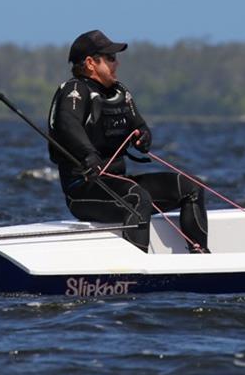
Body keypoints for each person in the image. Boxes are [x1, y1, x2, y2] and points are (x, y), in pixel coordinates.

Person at [47, 29, 209, 254]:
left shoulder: (119, 92)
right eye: (110, 58)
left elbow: (140, 126)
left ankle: (200, 256)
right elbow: (67, 124)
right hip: (84, 190)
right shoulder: (74, 90)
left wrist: (144, 137)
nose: (117, 64)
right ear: (90, 63)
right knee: (136, 198)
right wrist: (87, 154)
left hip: (120, 183)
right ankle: (137, 271)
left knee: (191, 187)